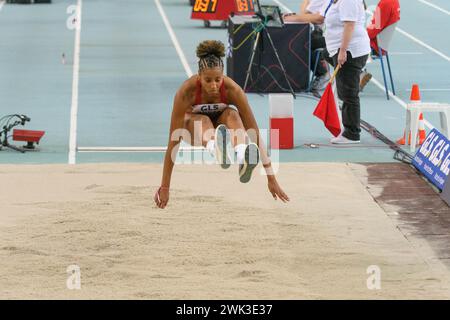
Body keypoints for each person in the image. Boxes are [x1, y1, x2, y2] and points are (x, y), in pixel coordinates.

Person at [154, 40, 290, 209]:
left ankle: (242, 155)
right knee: (203, 120)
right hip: (195, 129)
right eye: (208, 80)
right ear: (199, 77)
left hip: (222, 123)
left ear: (223, 76)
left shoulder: (233, 90)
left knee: (232, 114)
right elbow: (173, 142)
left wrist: (271, 178)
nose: (214, 85)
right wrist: (165, 186)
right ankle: (215, 147)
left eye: (218, 79)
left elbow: (253, 130)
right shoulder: (186, 92)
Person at [283, 0, 330, 95]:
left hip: (325, 35)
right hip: (317, 31)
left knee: (302, 41)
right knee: (296, 37)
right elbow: (305, 14)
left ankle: (323, 73)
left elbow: (316, 18)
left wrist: (293, 18)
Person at [360, 0, 400, 91]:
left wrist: (361, 35)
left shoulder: (385, 3)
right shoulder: (394, 2)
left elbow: (375, 28)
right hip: (381, 44)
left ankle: (356, 75)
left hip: (374, 45)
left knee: (342, 46)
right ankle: (358, 73)